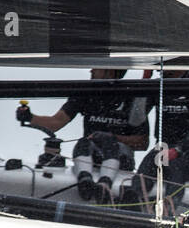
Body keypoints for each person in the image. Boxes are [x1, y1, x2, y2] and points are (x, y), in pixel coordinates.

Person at [16, 68, 149, 203]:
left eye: (96, 68)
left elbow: (143, 143)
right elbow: (56, 122)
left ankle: (104, 184)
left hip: (121, 160)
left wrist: (113, 137)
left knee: (110, 143)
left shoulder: (132, 98)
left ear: (109, 71)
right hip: (90, 155)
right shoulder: (86, 92)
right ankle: (85, 180)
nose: (91, 70)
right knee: (83, 142)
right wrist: (29, 117)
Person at [131, 69, 189, 204]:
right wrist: (144, 83)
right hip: (164, 146)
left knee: (176, 165)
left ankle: (169, 208)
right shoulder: (157, 84)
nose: (158, 69)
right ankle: (132, 202)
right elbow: (135, 120)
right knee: (147, 167)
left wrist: (179, 149)